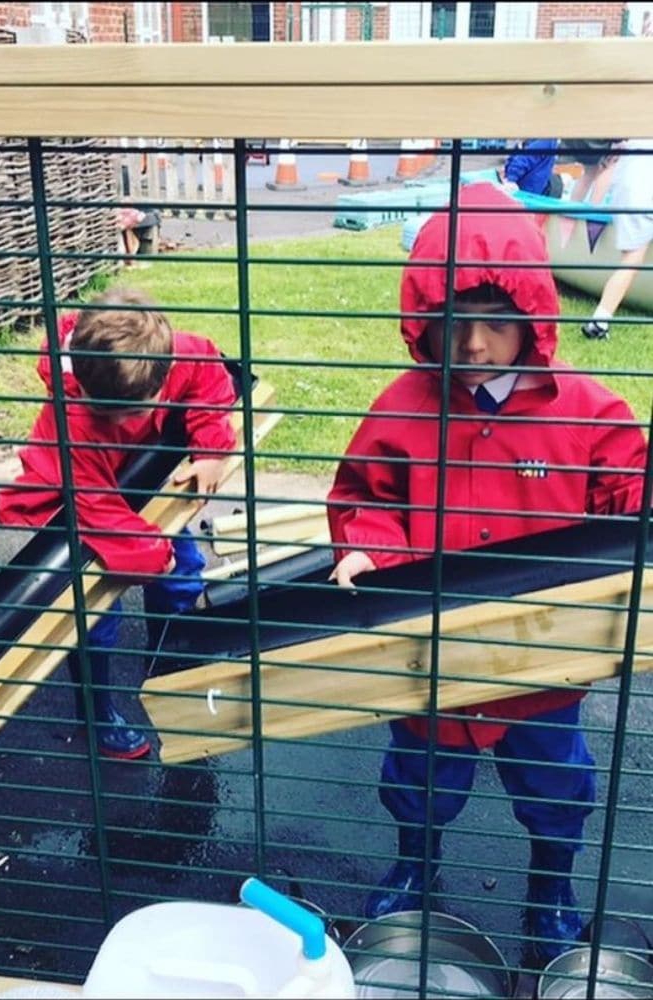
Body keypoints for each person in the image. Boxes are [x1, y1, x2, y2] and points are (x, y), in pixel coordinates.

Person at [326, 183, 647, 962]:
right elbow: (365, 495)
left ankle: (551, 890)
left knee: (554, 788)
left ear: (533, 318)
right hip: (429, 653)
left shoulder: (588, 410)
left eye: (495, 323)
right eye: (450, 324)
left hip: (542, 659)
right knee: (418, 779)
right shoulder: (401, 407)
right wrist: (367, 545)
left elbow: (631, 494)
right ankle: (415, 868)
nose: (471, 346)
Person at [0, 289, 237, 759]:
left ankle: (170, 661)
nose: (123, 421)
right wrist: (152, 556)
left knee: (183, 571)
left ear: (163, 377)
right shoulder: (75, 419)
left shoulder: (177, 355)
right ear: (82, 385)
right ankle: (97, 708)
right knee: (95, 611)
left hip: (141, 483)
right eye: (110, 412)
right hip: (79, 499)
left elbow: (211, 378)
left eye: (134, 411)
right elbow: (100, 512)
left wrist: (211, 450)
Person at [581, 139, 653, 340]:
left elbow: (609, 171)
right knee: (632, 259)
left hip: (626, 195)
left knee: (632, 258)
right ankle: (600, 319)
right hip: (641, 198)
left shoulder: (631, 137)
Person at [499, 138, 563, 197]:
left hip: (528, 190)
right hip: (527, 191)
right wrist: (511, 179)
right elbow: (523, 159)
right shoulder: (546, 141)